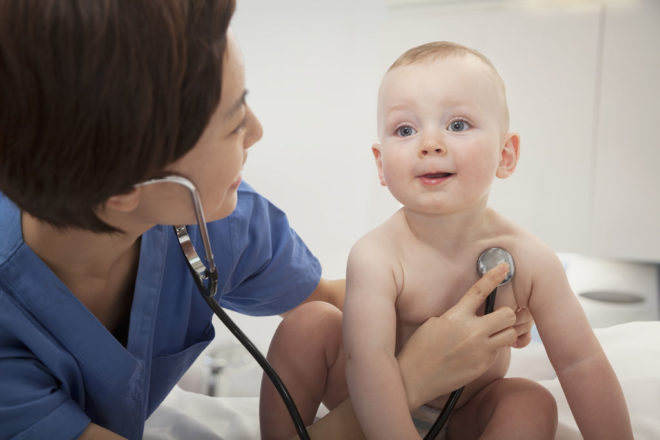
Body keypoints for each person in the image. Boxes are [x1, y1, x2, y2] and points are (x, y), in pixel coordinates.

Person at [0, 1, 533, 438]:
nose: (257, 132)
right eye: (234, 123)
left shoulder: (216, 223)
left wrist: (463, 302)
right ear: (125, 188)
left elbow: (328, 300)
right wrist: (411, 381)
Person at [338, 41, 634, 439]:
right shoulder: (376, 256)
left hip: (469, 412)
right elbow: (367, 364)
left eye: (457, 125)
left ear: (505, 154)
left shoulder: (529, 259)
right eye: (405, 129)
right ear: (380, 164)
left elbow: (581, 362)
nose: (430, 143)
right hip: (376, 411)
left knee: (530, 401)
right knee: (306, 331)